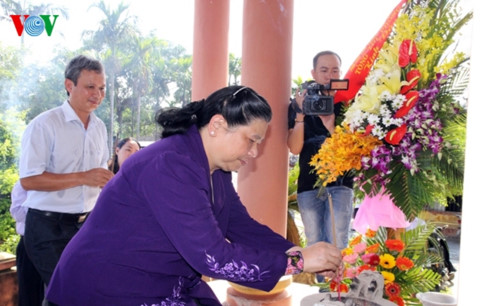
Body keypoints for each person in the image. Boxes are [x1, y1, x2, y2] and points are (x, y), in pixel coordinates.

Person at [46, 85, 342, 305]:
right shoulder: (170, 165)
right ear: (216, 125)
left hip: (159, 284)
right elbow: (212, 257)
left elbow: (243, 227)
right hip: (106, 288)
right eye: (251, 140)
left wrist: (295, 253)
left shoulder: (215, 169)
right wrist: (299, 263)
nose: (253, 153)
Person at [18, 55, 114, 290]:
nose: (97, 95)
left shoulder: (99, 127)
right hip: (47, 227)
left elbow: (99, 176)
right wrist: (83, 177)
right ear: (69, 86)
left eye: (101, 88)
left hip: (86, 226)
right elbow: (29, 180)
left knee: (81, 292)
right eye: (90, 87)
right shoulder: (44, 124)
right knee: (69, 293)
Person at [287, 51, 354, 279]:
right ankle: (321, 290)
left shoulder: (350, 105)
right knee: (315, 242)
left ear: (340, 75)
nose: (329, 75)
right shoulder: (299, 105)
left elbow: (354, 151)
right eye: (324, 70)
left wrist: (332, 126)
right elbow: (294, 148)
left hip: (341, 183)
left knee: (338, 241)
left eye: (335, 70)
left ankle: (336, 290)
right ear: (313, 73)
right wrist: (300, 114)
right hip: (308, 184)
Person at [10, 181, 44, 306]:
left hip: (57, 243)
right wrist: (46, 215)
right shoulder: (23, 183)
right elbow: (17, 213)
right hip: (29, 243)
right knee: (29, 294)